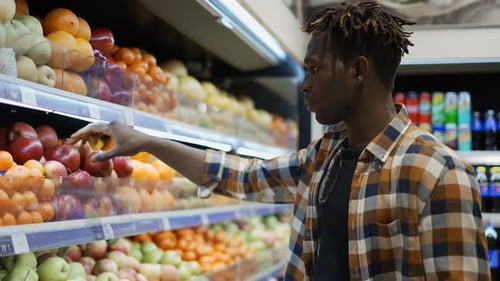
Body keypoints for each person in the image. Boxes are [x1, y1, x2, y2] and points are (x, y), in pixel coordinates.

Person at [70, 1, 490, 280]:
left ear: (358, 71)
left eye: (313, 70)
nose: (304, 85)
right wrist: (146, 140)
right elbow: (240, 176)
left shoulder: (439, 173)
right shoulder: (325, 155)